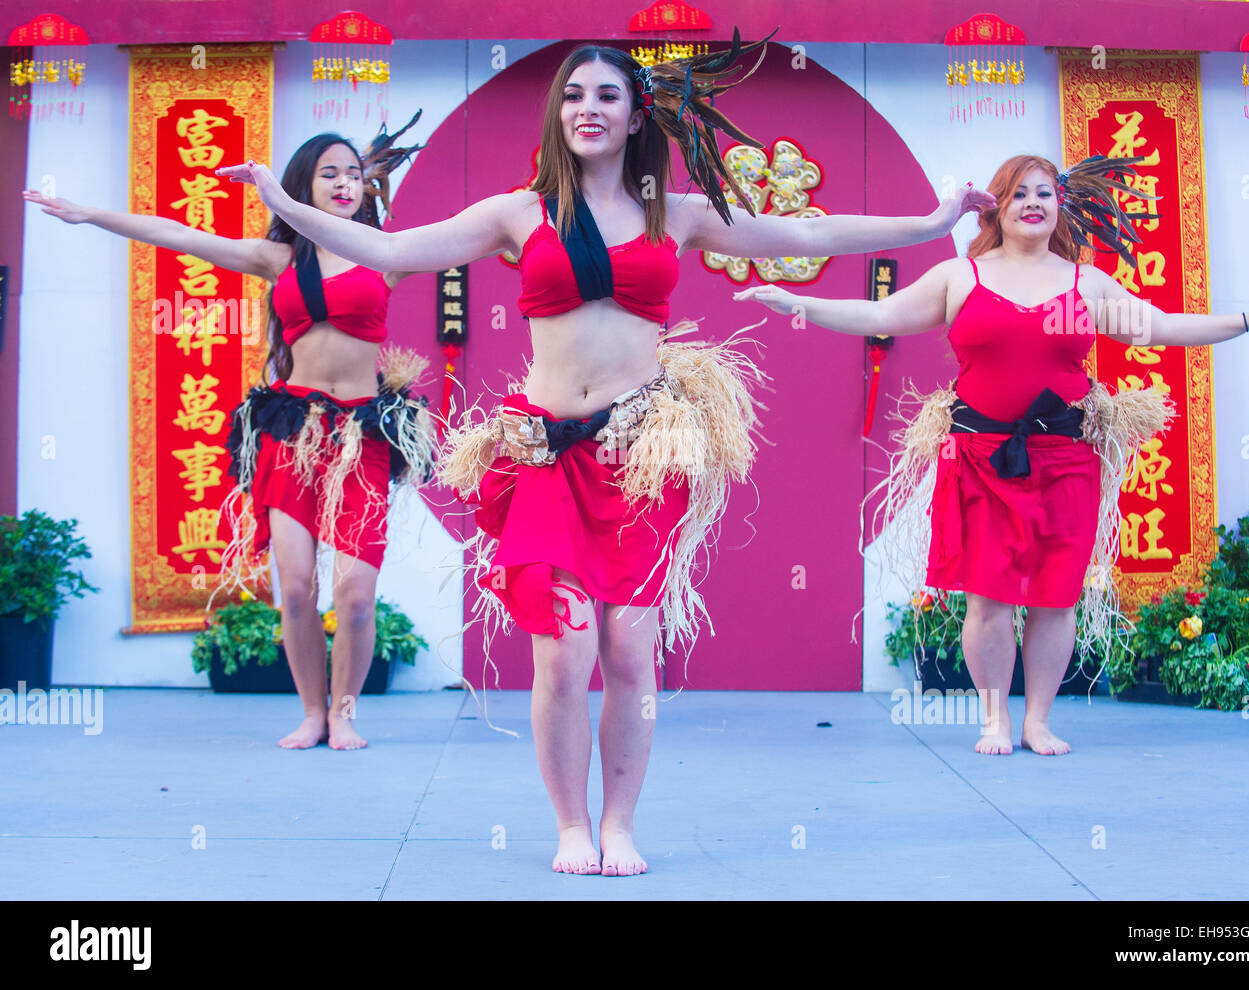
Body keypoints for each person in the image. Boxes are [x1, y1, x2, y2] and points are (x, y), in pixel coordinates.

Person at [215, 32, 995, 875]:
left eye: (607, 96)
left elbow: (802, 235)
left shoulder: (678, 213)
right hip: (545, 454)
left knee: (630, 650)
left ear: (633, 116)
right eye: (575, 95)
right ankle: (569, 826)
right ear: (560, 114)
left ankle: (619, 822)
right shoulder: (521, 212)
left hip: (637, 454)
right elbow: (396, 250)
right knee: (567, 645)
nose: (588, 107)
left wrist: (931, 219)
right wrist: (283, 204)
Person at [738, 153, 1249, 757]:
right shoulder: (961, 276)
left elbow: (1160, 327)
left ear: (1060, 206)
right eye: (1018, 194)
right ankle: (994, 720)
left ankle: (1037, 720)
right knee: (987, 598)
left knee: (1057, 597)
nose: (1033, 203)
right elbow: (880, 314)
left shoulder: (1086, 283)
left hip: (1066, 460)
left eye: (1044, 194)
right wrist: (800, 304)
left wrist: (1246, 320)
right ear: (996, 208)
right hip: (979, 456)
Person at [24, 126, 435, 752]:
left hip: (359, 437)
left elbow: (476, 235)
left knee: (354, 595)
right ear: (303, 185)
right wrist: (88, 215)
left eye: (352, 173)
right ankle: (311, 713)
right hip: (292, 430)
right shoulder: (279, 260)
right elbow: (179, 234)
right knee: (296, 587)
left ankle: (346, 712)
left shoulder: (385, 253)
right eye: (328, 173)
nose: (344, 182)